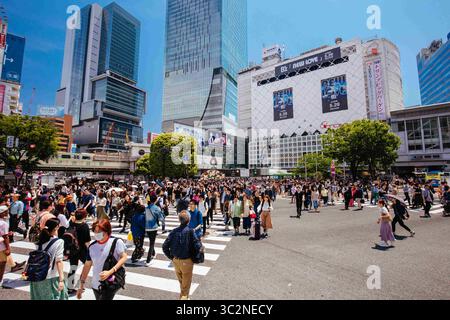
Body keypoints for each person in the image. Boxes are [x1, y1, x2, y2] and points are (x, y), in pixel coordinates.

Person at [77, 219, 127, 300]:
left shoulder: (116, 242)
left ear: (107, 231)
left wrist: (110, 271)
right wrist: (81, 285)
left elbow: (124, 257)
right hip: (96, 283)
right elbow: (87, 265)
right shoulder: (92, 246)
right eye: (95, 231)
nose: (96, 234)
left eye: (99, 231)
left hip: (110, 282)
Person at [162, 210, 203, 300]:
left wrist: (171, 257)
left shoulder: (173, 232)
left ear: (179, 220)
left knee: (182, 284)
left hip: (176, 261)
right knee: (185, 286)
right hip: (187, 261)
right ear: (188, 220)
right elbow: (197, 246)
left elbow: (164, 246)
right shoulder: (190, 231)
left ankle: (185, 297)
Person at [30, 218, 68, 300]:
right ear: (56, 227)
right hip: (51, 277)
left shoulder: (39, 240)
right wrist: (61, 279)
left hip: (37, 276)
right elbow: (59, 261)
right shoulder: (59, 241)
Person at [66, 209, 91, 295]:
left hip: (72, 249)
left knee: (73, 268)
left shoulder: (71, 224)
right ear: (84, 216)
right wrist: (90, 250)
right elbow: (87, 241)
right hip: (82, 250)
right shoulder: (85, 226)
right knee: (87, 266)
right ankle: (81, 285)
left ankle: (69, 287)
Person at [145, 195, 164, 265]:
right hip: (154, 227)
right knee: (152, 243)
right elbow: (161, 218)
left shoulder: (146, 208)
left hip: (147, 227)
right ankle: (148, 259)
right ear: (155, 200)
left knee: (151, 241)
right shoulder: (157, 208)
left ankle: (153, 253)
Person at [131, 199, 146, 263]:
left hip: (134, 232)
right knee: (139, 245)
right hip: (140, 233)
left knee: (137, 244)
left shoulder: (134, 215)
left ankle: (139, 254)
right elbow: (143, 225)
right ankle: (134, 257)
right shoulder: (142, 217)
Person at [0, 205, 10, 288]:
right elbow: (5, 237)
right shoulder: (3, 223)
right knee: (2, 263)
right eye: (6, 211)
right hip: (1, 247)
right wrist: (8, 248)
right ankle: (0, 280)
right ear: (2, 213)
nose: (7, 212)